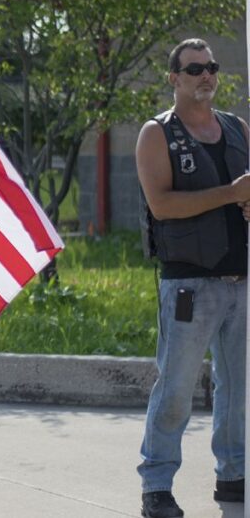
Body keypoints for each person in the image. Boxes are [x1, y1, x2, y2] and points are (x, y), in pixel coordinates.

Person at [136, 38, 250, 518]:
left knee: (239, 388)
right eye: (195, 68)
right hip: (188, 284)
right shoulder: (156, 134)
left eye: (212, 67)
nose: (206, 75)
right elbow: (162, 205)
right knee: (177, 388)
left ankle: (234, 475)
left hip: (240, 279)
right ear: (174, 79)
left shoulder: (237, 129)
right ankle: (156, 486)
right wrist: (230, 194)